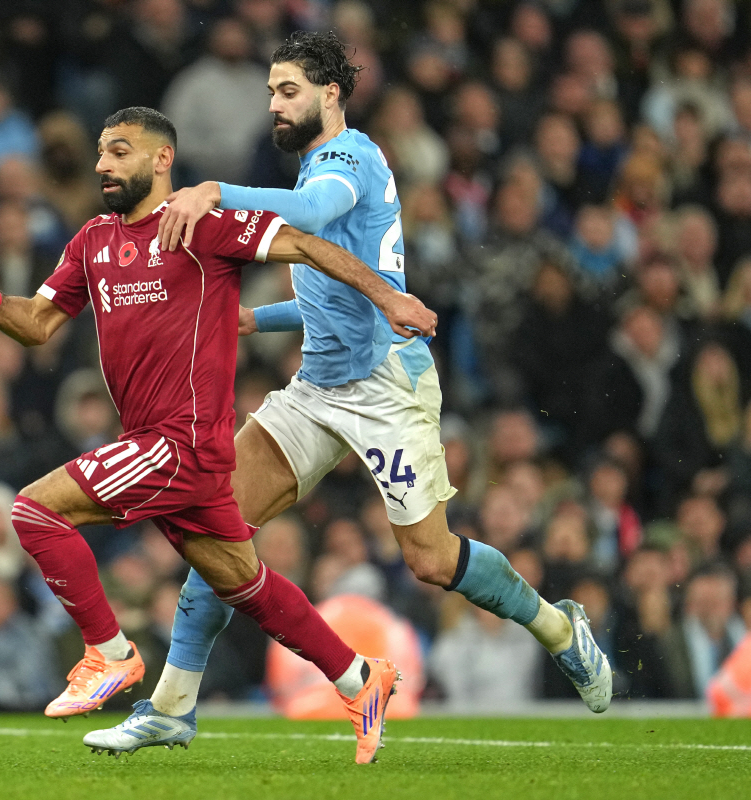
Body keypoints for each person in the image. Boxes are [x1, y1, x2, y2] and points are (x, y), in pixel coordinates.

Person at [89, 31, 612, 756]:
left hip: (387, 385)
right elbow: (334, 297)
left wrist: (213, 190)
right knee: (218, 532)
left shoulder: (347, 159)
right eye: (271, 90)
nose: (274, 103)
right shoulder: (317, 164)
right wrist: (257, 320)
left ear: (330, 95)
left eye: (289, 90)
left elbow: (304, 217)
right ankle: (173, 708)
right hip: (317, 385)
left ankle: (556, 626)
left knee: (430, 561)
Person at [0, 106, 436, 764]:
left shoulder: (202, 228)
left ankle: (110, 655)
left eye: (118, 151)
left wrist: (389, 297)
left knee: (33, 510)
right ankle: (359, 678)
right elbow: (39, 322)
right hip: (159, 444)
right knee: (245, 583)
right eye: (99, 152)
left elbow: (309, 244)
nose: (102, 165)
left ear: (161, 159)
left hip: (183, 442)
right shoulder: (91, 239)